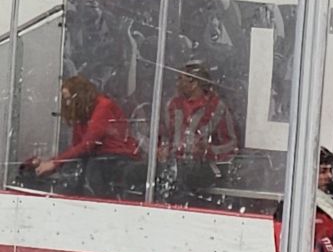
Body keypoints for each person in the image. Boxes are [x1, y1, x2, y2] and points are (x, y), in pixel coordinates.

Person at [28, 75, 141, 198]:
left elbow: (88, 144)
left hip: (115, 159)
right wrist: (52, 162)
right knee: (75, 168)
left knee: (90, 170)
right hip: (98, 158)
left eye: (69, 98)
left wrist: (55, 163)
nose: (67, 103)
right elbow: (78, 148)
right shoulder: (84, 113)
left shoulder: (103, 106)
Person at [156, 62, 238, 206]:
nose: (177, 84)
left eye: (180, 79)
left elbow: (232, 143)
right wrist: (161, 149)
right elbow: (163, 135)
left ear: (194, 83)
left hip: (204, 166)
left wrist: (209, 149)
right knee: (134, 172)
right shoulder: (171, 105)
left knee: (181, 177)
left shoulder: (217, 107)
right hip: (173, 163)